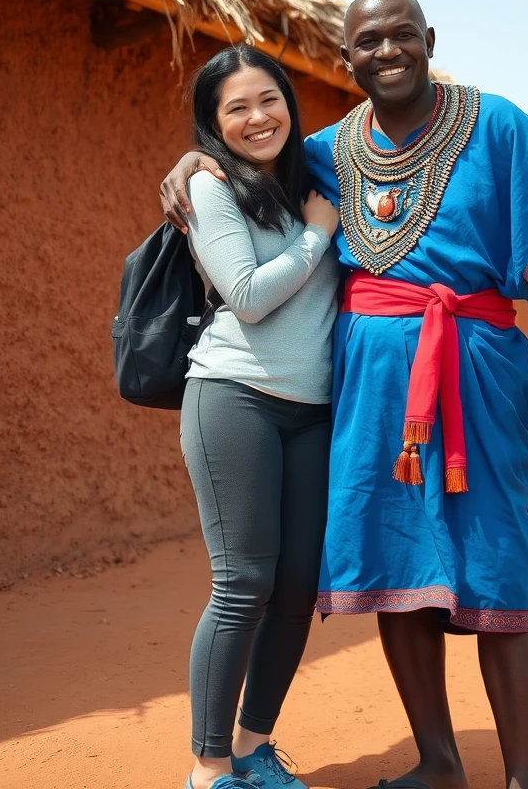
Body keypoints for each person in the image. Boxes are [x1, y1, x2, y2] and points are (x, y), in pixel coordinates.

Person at [160, 0, 528, 789]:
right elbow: (241, 163)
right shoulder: (328, 152)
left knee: (497, 561)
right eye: (368, 41)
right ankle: (439, 762)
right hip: (370, 393)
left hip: (477, 373)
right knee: (393, 567)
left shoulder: (495, 123)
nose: (388, 51)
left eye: (403, 35)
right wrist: (193, 160)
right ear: (347, 59)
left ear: (430, 39)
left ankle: (521, 781)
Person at [175, 44, 341, 789]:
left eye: (268, 99)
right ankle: (209, 770)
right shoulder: (212, 190)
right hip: (234, 397)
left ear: (288, 103)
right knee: (244, 581)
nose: (257, 117)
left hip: (312, 410)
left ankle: (251, 748)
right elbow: (244, 294)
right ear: (214, 124)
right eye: (235, 107)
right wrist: (316, 235)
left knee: (298, 585)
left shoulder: (318, 176)